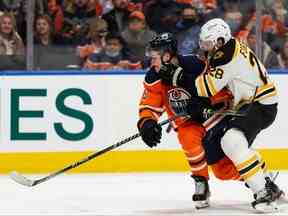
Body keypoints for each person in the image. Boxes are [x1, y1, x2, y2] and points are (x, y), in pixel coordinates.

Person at [157, 19, 284, 212]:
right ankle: (267, 183)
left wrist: (177, 76)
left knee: (231, 141)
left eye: (208, 44)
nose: (205, 48)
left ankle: (264, 192)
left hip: (259, 104)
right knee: (234, 144)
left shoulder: (225, 57)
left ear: (219, 41)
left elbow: (205, 87)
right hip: (253, 102)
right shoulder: (229, 47)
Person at [137, 32, 241, 209]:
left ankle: (259, 177)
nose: (151, 62)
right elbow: (149, 105)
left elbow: (222, 91)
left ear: (167, 56)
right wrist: (146, 122)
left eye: (154, 58)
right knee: (186, 135)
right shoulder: (154, 77)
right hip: (188, 123)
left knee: (223, 171)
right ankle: (201, 181)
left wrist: (204, 103)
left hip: (213, 119)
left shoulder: (195, 64)